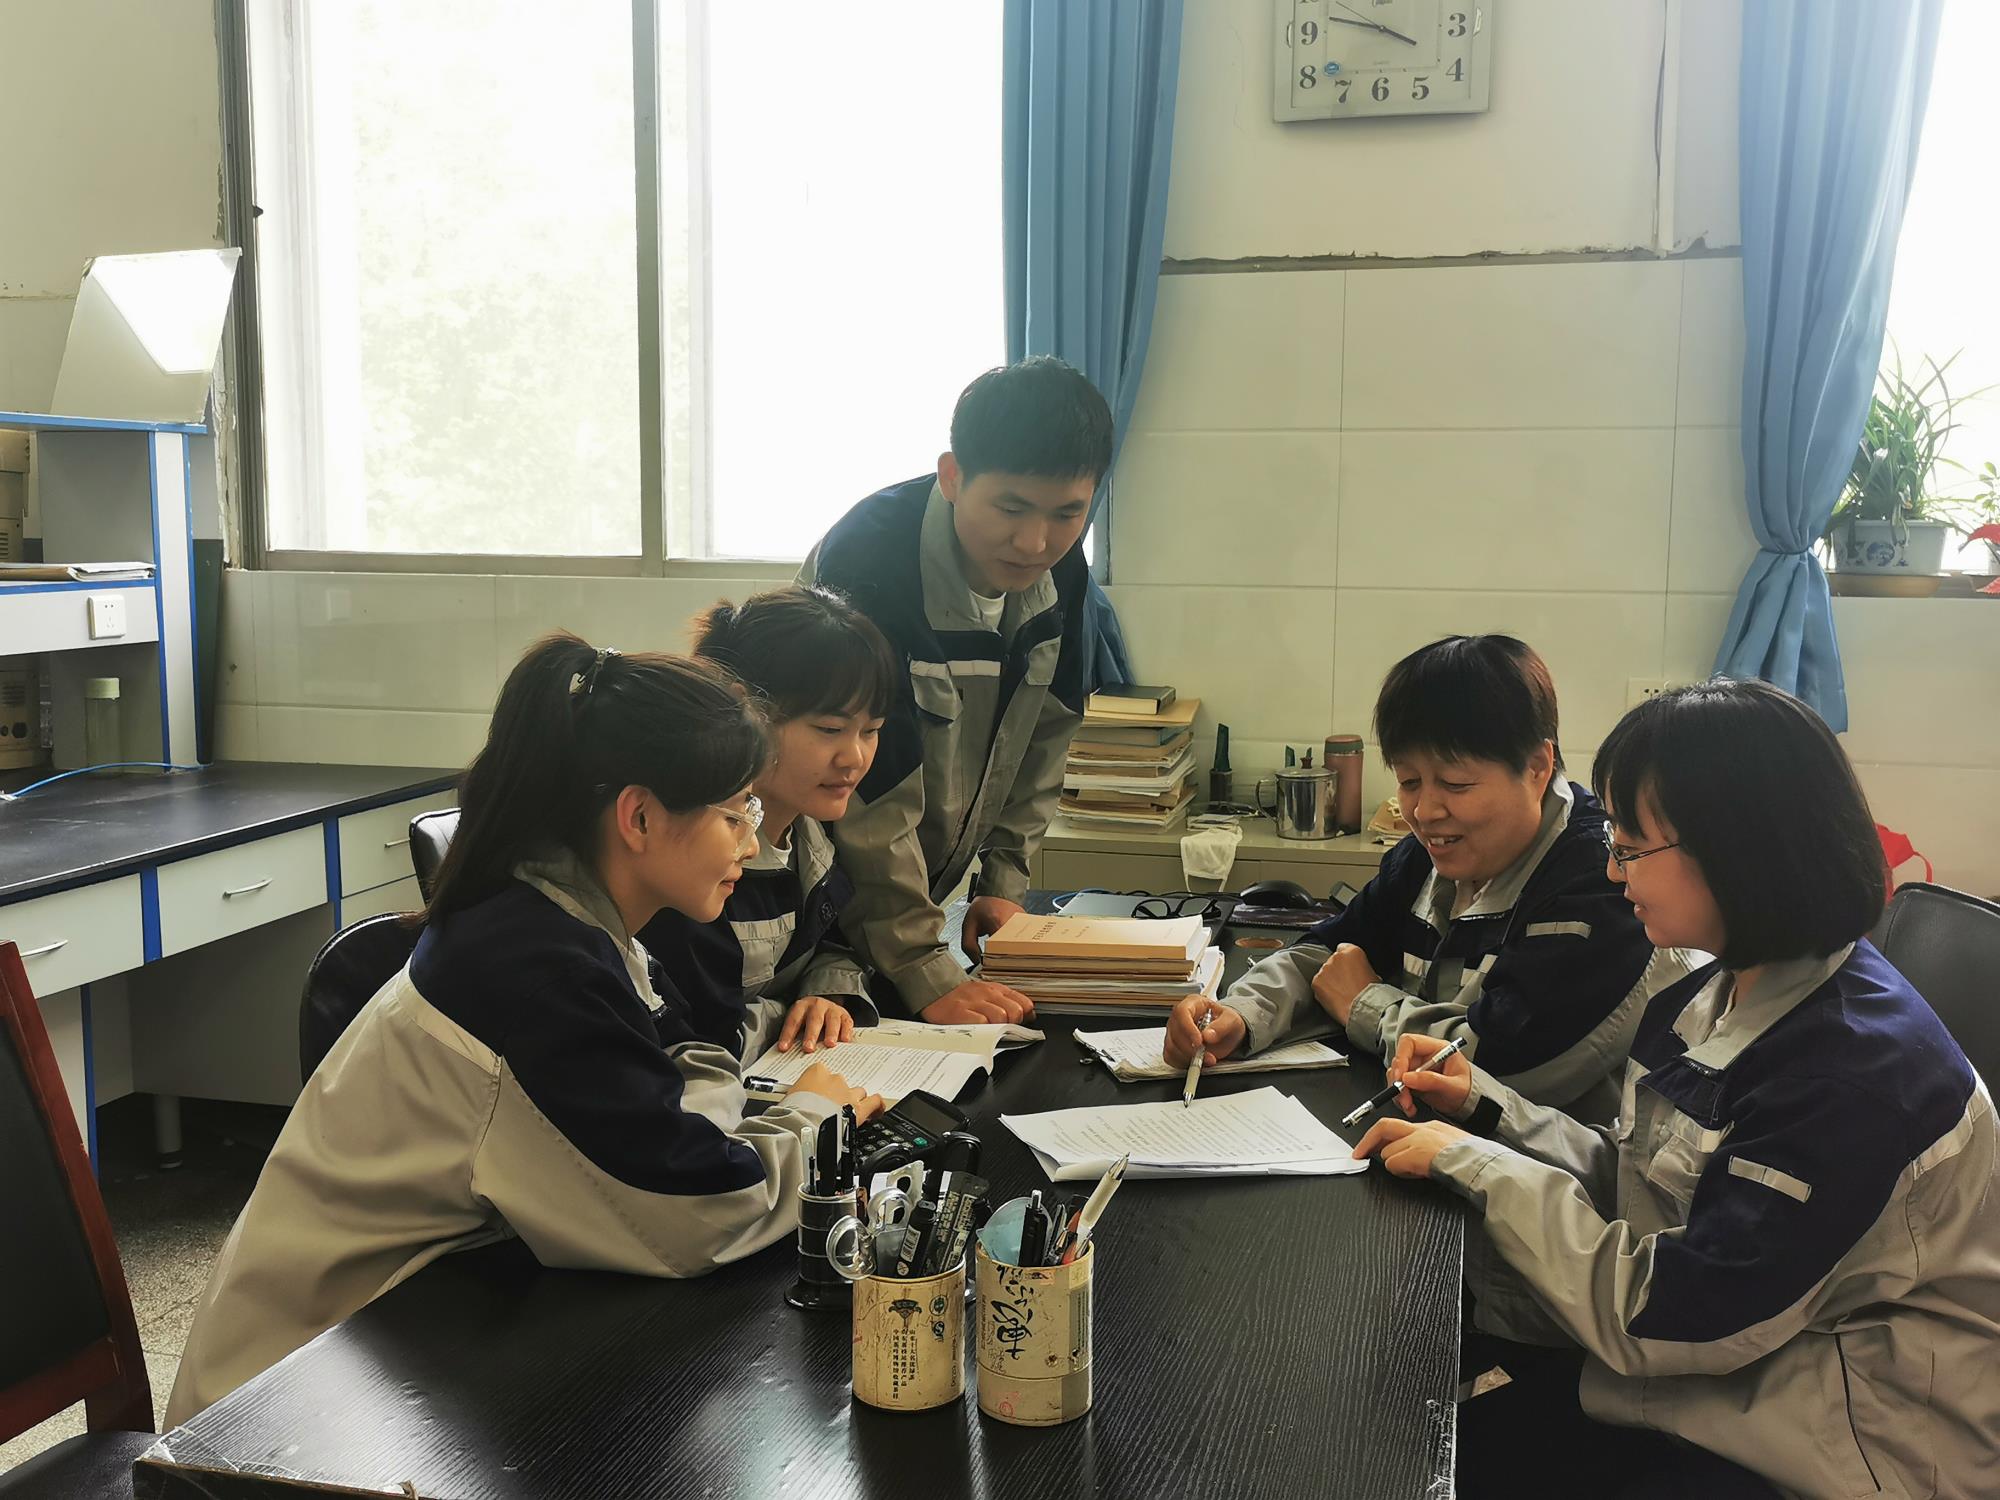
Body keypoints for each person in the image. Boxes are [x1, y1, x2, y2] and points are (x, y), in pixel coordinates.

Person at [167, 635, 883, 1424]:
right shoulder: (539, 972)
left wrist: (720, 1131)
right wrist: (817, 1119)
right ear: (639, 816)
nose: (751, 840)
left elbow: (686, 1083)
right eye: (734, 811)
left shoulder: (572, 919)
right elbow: (695, 1218)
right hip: (288, 1401)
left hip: (408, 1346)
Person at [1353, 678, 2000, 1499]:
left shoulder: (1850, 1078)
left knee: (1421, 1460)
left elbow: (1665, 1317)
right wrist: (1489, 1109)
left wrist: (1479, 1167)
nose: (1611, 868)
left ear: (1738, 849)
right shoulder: (1712, 993)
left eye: (1630, 848)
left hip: (1844, 1454)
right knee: (1407, 1424)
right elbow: (1649, 1190)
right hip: (1731, 1387)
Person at [1166, 635, 1659, 1119]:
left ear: (1536, 768)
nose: (1424, 811)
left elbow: (1505, 1064)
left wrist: (1364, 1003)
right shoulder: (1427, 858)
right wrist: (1241, 1013)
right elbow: (1329, 954)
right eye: (1409, 781)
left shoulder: (1602, 881)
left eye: (1455, 784)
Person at [798, 356, 1112, 1025]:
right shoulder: (870, 562)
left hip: (910, 905)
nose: (1035, 542)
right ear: (953, 476)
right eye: (1011, 508)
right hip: (812, 912)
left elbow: (1047, 736)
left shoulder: (1063, 568)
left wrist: (1004, 885)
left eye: (1068, 513)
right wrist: (922, 967)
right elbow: (867, 791)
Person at [639, 585, 896, 1061]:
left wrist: (825, 994)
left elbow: (834, 940)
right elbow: (701, 1033)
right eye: (830, 729)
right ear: (744, 713)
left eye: (872, 731)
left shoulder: (819, 831)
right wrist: (786, 1015)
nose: (855, 757)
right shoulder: (691, 860)